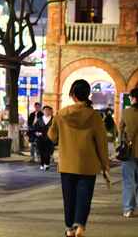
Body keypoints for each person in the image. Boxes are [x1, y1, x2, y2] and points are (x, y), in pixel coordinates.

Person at [48, 79, 109, 237]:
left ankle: (69, 229)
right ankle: (80, 225)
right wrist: (105, 166)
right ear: (87, 94)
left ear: (73, 95)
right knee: (84, 196)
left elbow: (52, 136)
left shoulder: (61, 114)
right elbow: (101, 143)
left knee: (69, 197)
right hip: (89, 165)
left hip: (68, 164)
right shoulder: (94, 116)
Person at [119, 87, 138, 218]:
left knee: (129, 181)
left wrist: (121, 143)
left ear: (133, 98)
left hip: (130, 152)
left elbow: (120, 131)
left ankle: (128, 209)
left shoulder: (126, 112)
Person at [35, 106, 54, 171]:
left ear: (50, 111)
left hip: (50, 138)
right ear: (43, 111)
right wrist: (37, 133)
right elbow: (35, 128)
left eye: (48, 110)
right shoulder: (39, 119)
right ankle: (42, 164)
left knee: (48, 152)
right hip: (40, 138)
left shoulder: (53, 119)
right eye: (45, 110)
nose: (46, 111)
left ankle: (47, 164)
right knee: (41, 152)